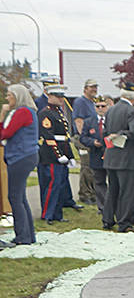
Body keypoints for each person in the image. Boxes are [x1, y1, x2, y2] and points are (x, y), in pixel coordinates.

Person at [1, 84, 40, 247]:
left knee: (15, 197)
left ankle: (23, 236)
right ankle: (28, 235)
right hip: (25, 155)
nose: (7, 98)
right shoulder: (26, 112)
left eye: (10, 95)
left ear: (18, 96)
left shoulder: (22, 112)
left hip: (21, 156)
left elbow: (5, 133)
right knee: (20, 197)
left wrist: (2, 115)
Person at [104, 85, 134, 232]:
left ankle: (107, 219)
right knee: (127, 192)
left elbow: (105, 131)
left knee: (112, 190)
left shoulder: (111, 110)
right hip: (127, 158)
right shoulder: (131, 111)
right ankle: (124, 222)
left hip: (111, 156)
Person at [36, 85, 76, 223]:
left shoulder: (59, 113)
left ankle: (57, 214)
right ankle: (47, 214)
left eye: (62, 96)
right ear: (50, 96)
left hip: (61, 152)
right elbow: (48, 137)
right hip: (50, 155)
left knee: (59, 185)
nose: (61, 99)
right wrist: (58, 155)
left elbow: (65, 138)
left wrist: (70, 156)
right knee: (52, 185)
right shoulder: (45, 113)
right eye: (58, 96)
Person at [81, 95, 110, 224]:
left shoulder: (111, 119)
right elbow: (83, 138)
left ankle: (112, 205)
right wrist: (93, 142)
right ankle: (102, 207)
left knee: (113, 183)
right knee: (99, 182)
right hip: (96, 155)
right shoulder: (89, 121)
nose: (100, 109)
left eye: (103, 106)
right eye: (98, 106)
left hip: (111, 156)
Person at [72, 79, 100, 205]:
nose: (94, 89)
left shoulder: (92, 102)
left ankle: (93, 193)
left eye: (95, 87)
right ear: (85, 89)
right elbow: (79, 121)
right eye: (91, 87)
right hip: (82, 139)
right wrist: (84, 140)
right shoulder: (80, 102)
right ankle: (85, 194)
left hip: (90, 139)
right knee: (86, 167)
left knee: (92, 167)